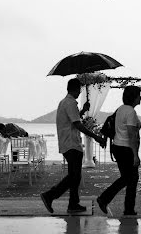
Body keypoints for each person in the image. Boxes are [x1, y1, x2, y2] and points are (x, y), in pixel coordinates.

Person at [40, 78, 106, 214]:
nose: (80, 92)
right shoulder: (70, 103)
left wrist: (82, 111)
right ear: (76, 89)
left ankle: (73, 204)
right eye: (80, 89)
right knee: (73, 176)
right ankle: (50, 195)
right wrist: (96, 137)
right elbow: (77, 125)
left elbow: (73, 119)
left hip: (69, 143)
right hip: (71, 144)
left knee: (75, 176)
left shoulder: (65, 103)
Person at [97, 86, 141, 216]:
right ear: (134, 97)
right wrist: (135, 156)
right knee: (129, 179)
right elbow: (131, 135)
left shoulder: (121, 109)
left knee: (129, 179)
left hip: (118, 147)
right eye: (139, 95)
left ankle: (128, 209)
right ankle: (105, 199)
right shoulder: (130, 112)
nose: (140, 98)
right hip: (126, 149)